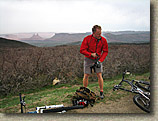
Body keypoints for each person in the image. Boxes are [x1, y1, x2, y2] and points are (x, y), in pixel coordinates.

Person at [80, 25, 108, 99]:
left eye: (100, 33)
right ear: (93, 33)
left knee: (99, 75)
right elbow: (82, 50)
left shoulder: (103, 40)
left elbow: (105, 52)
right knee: (86, 75)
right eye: (98, 33)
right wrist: (90, 54)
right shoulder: (87, 39)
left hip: (98, 59)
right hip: (88, 59)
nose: (100, 35)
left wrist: (100, 60)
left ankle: (101, 92)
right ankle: (84, 91)